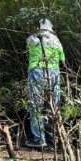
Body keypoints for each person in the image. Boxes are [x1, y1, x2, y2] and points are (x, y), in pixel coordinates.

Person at [25, 19, 65, 148]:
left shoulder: (31, 39)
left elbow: (28, 54)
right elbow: (62, 59)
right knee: (54, 105)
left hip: (36, 70)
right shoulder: (56, 40)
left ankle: (39, 138)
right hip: (54, 73)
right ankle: (54, 138)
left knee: (36, 105)